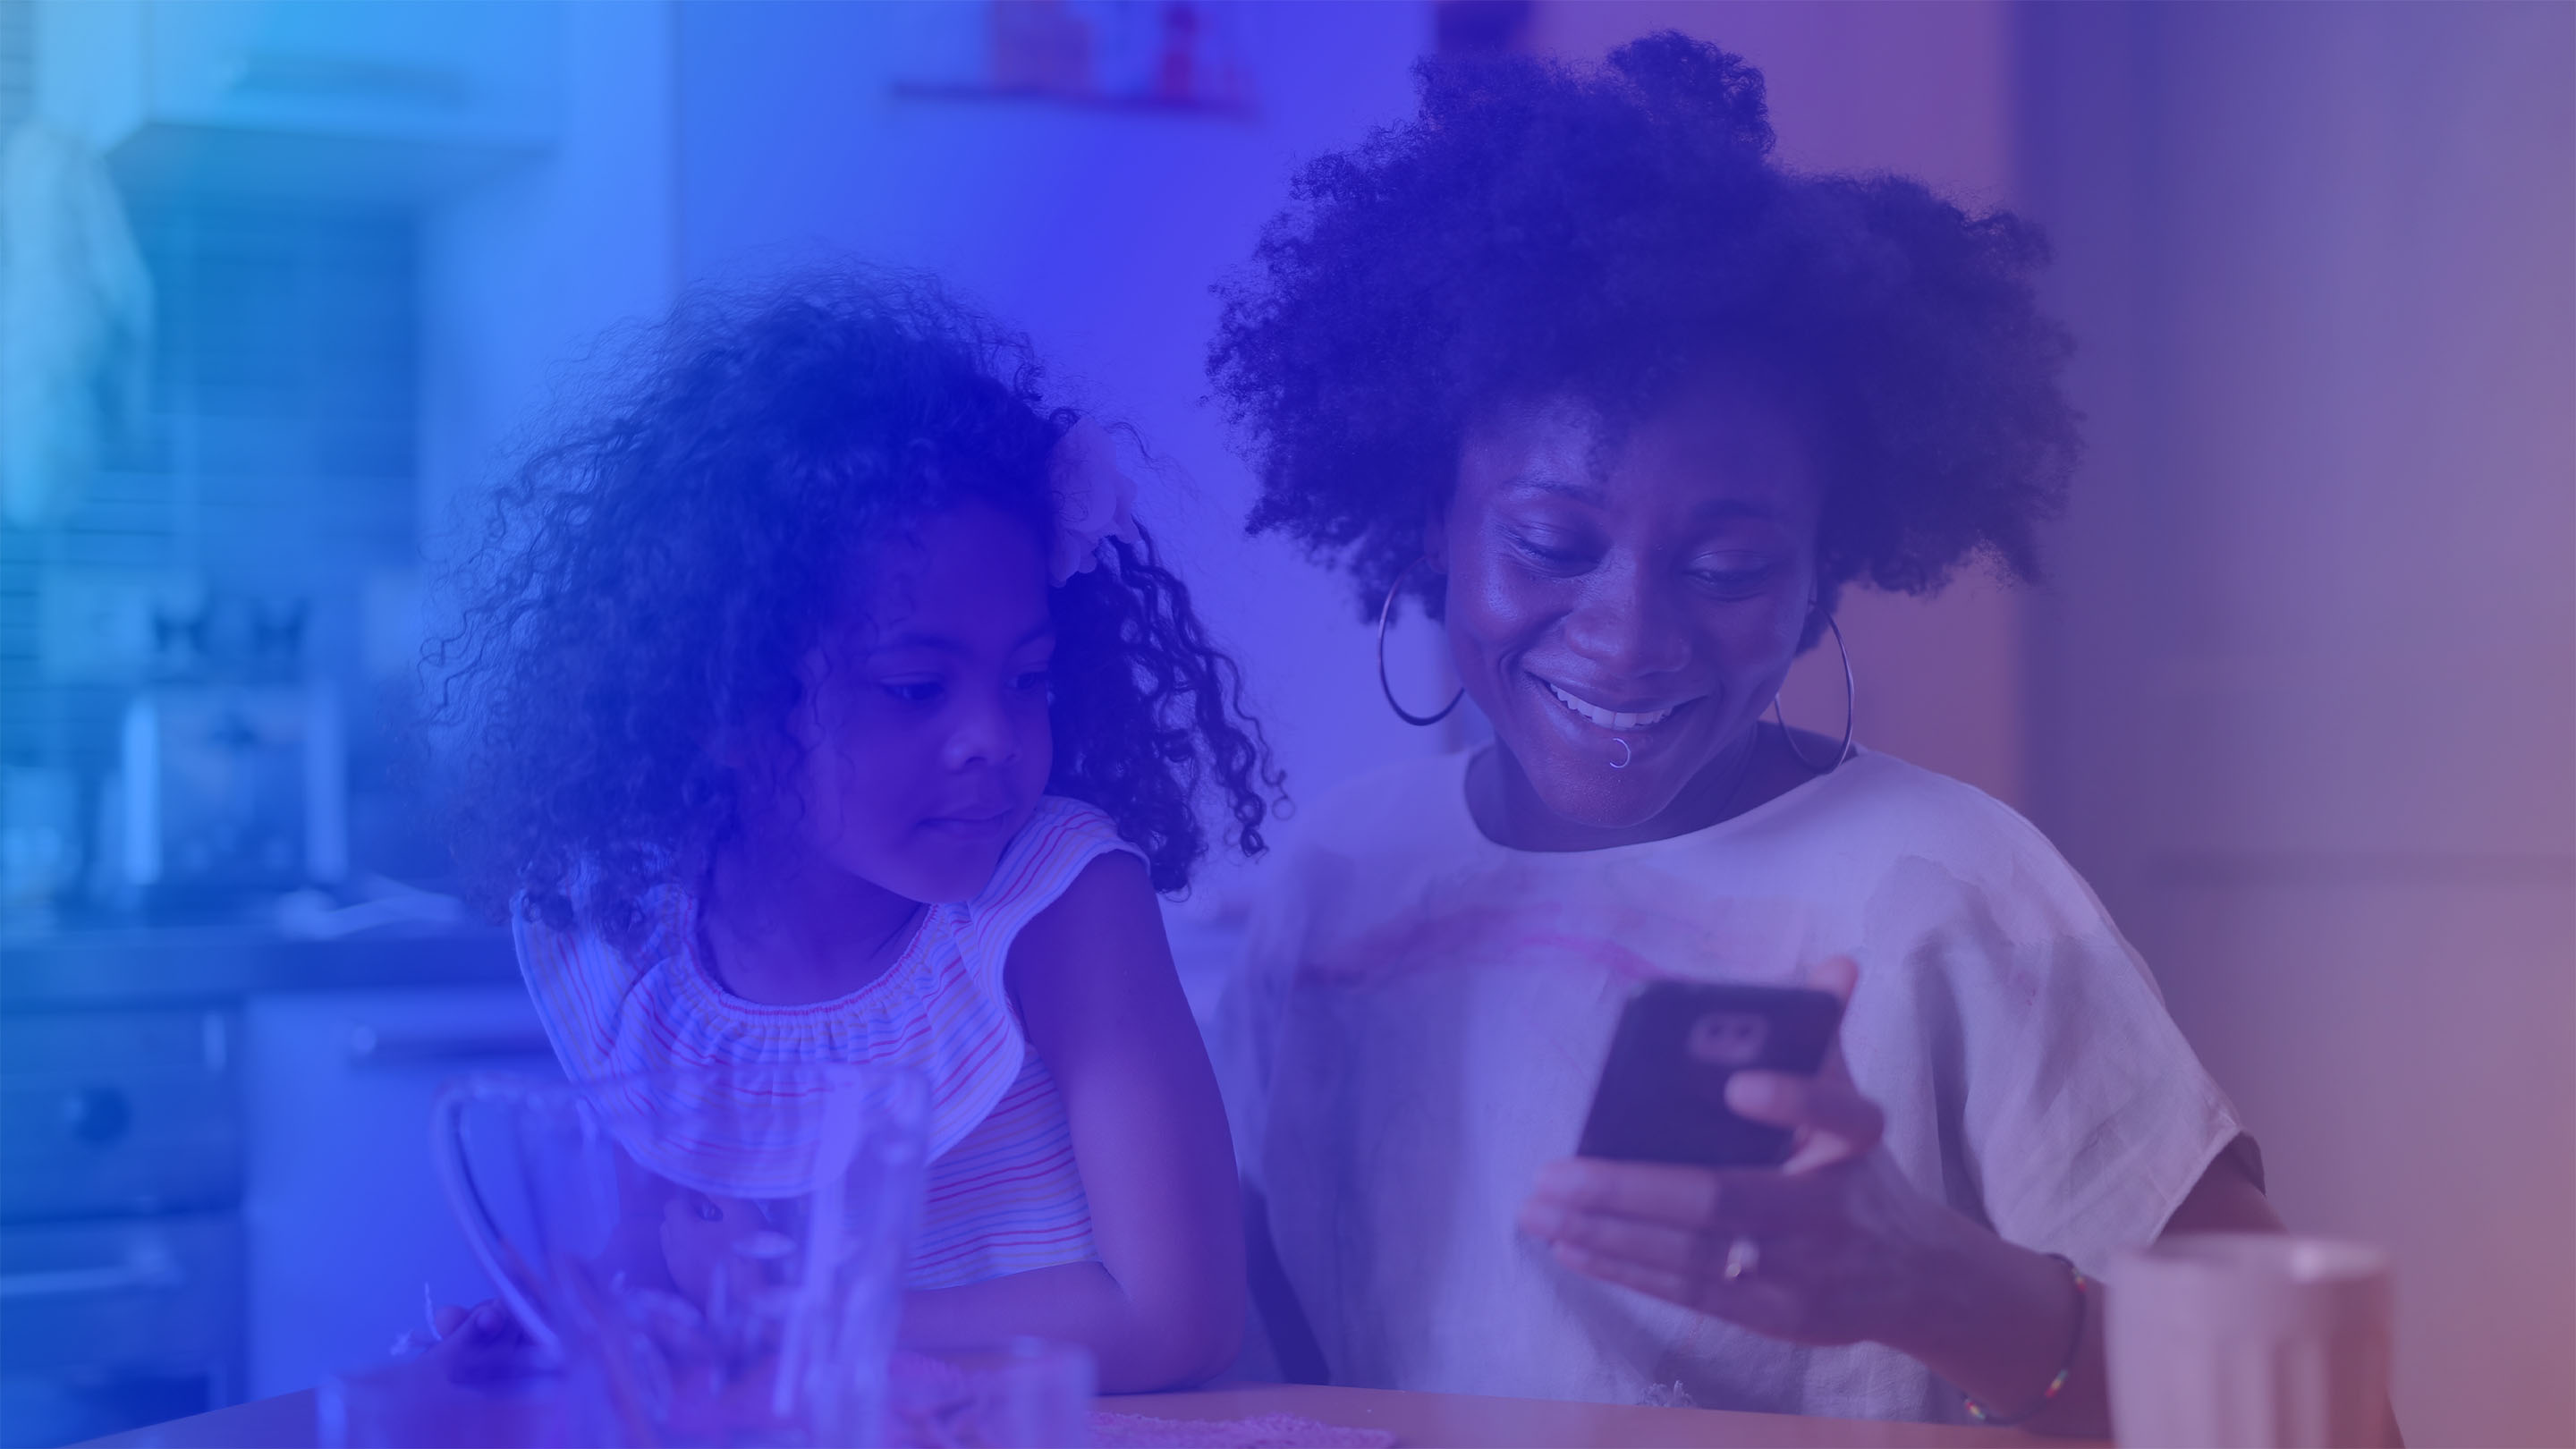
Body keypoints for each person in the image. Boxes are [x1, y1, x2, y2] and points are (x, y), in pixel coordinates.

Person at [1209, 35, 2283, 1435]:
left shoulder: (1944, 885)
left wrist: (1940, 1289)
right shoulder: (1343, 876)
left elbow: (2314, 1406)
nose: (1631, 631)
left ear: (1823, 575)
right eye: (1551, 543)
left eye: (1725, 568)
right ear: (1434, 526)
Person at [436, 271, 1272, 1391]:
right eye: (918, 687)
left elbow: (1173, 1315)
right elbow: (666, 1264)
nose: (994, 736)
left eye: (1027, 678)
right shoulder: (643, 945)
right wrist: (581, 1316)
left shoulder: (1056, 897)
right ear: (723, 705)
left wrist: (800, 1321)